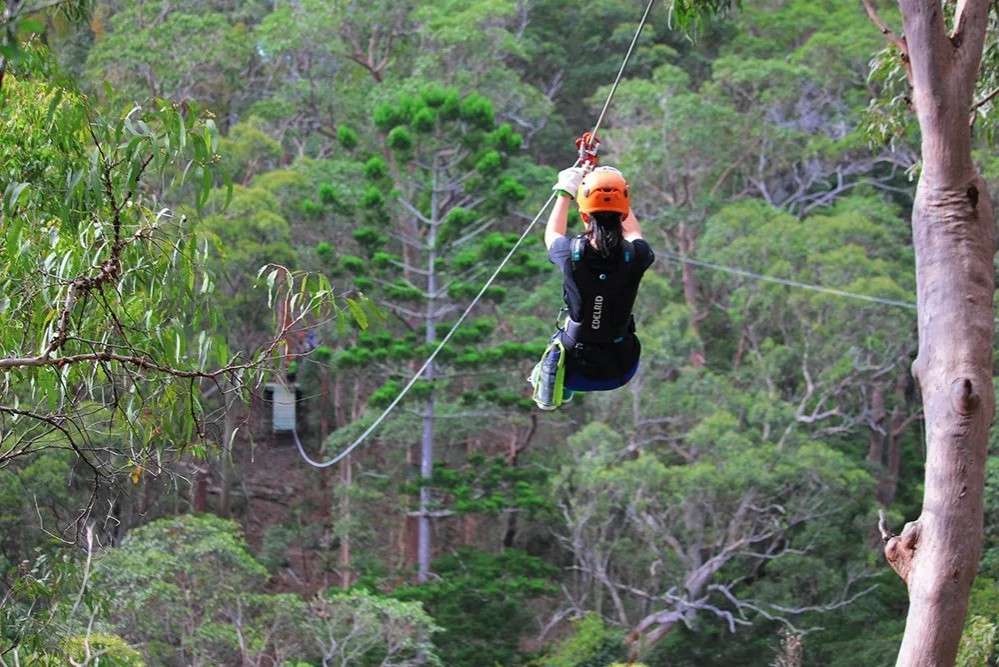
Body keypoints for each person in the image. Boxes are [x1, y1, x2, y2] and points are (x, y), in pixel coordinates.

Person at [529, 164, 655, 410]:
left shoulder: (569, 253)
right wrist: (614, 188)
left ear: (585, 216)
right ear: (623, 213)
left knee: (556, 351)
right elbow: (633, 232)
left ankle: (554, 386)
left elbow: (552, 233)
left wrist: (565, 190)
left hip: (574, 368)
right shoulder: (638, 256)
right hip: (620, 367)